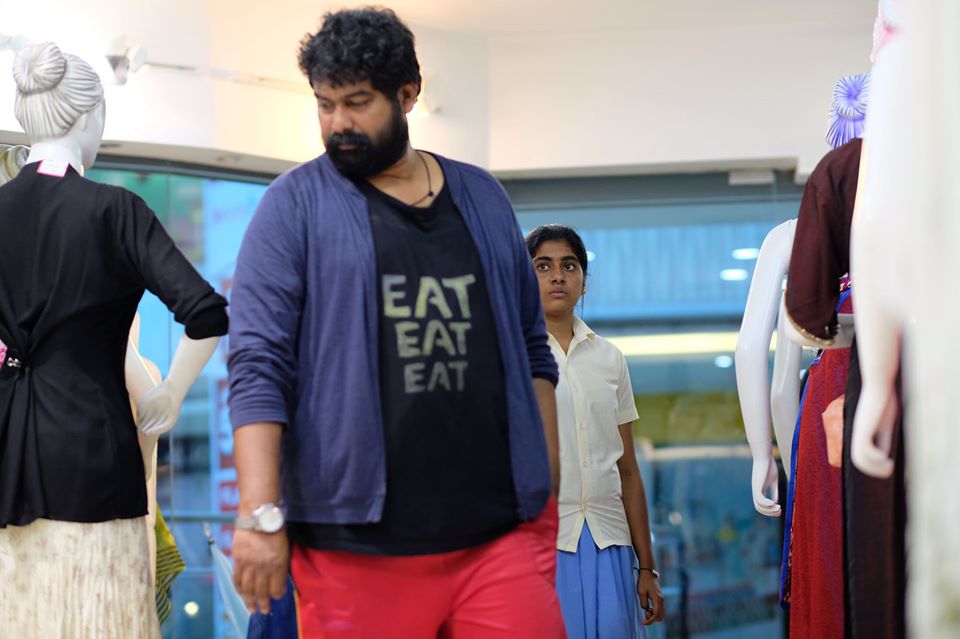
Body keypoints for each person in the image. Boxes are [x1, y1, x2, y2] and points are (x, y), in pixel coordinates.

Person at [227, 8, 564, 638]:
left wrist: (545, 484)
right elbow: (258, 367)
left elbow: (531, 348)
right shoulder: (294, 206)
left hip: (501, 536)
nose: (338, 123)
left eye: (357, 103)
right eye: (325, 104)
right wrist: (259, 515)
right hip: (356, 547)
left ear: (408, 94)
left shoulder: (483, 197)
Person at [0, 42, 228, 637]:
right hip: (93, 459)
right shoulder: (113, 211)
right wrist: (170, 392)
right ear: (90, 114)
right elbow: (206, 313)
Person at [525, 224, 665, 638]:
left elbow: (628, 469)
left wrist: (647, 567)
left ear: (583, 281)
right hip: (544, 542)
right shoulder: (510, 357)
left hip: (610, 540)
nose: (557, 276)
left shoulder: (610, 358)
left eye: (569, 266)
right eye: (543, 266)